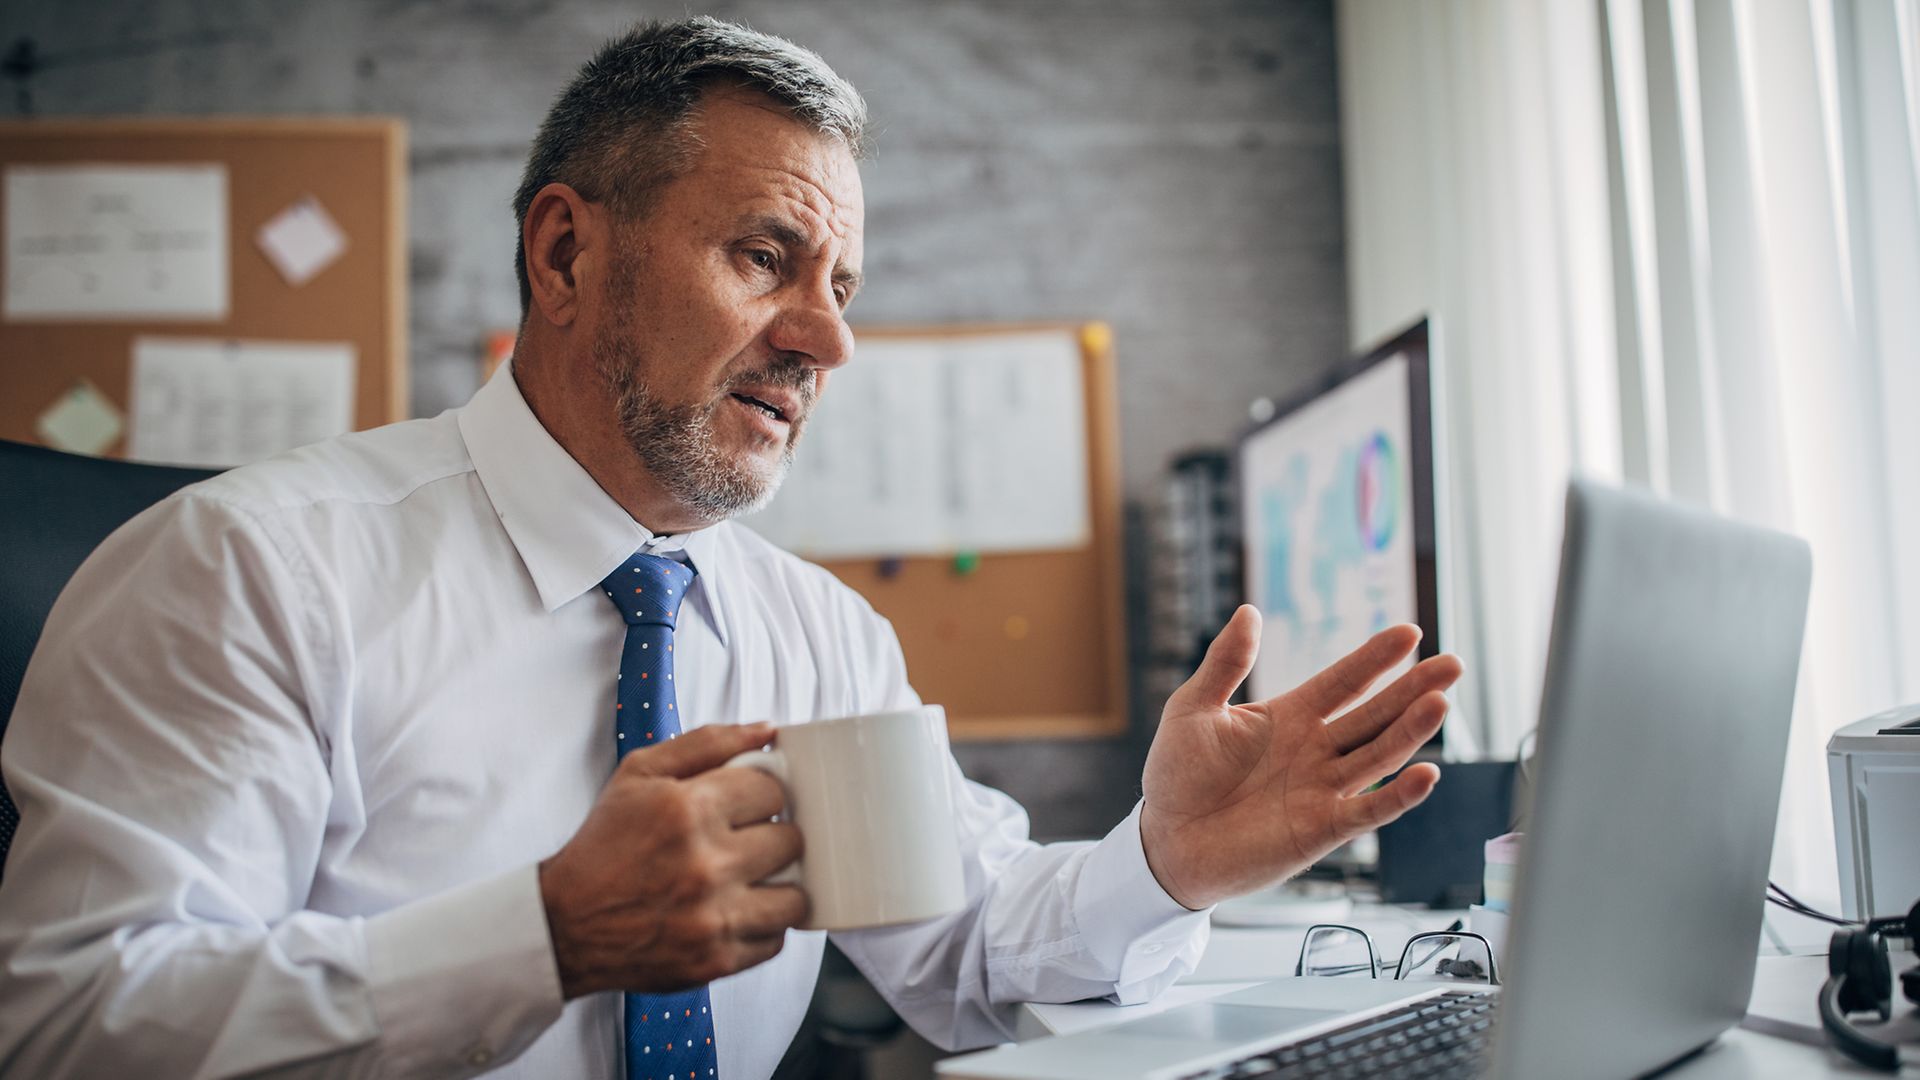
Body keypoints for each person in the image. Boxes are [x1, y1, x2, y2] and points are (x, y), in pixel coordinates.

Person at [0, 17, 1461, 1079]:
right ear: (565, 256)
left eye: (843, 285)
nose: (827, 338)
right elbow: (72, 1029)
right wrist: (549, 936)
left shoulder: (819, 635)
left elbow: (962, 951)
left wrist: (1169, 862)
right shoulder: (245, 571)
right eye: (766, 257)